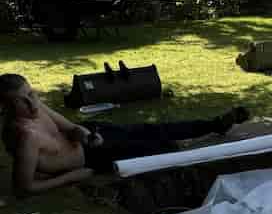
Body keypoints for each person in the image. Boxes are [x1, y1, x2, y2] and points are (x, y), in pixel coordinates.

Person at [0, 73, 247, 197]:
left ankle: (215, 125)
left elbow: (69, 126)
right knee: (162, 147)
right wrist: (72, 176)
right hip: (95, 158)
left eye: (31, 94)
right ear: (6, 108)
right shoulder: (25, 137)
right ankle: (203, 145)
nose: (31, 104)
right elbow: (23, 188)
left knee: (156, 129)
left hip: (94, 136)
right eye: (21, 101)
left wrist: (84, 134)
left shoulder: (37, 106)